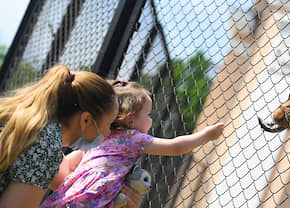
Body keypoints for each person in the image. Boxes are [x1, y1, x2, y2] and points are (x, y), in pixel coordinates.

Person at [41, 80, 225, 207]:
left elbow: (71, 163)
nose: (151, 120)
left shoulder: (101, 135)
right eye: (147, 115)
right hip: (98, 196)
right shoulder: (134, 138)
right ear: (130, 120)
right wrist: (205, 136)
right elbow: (175, 147)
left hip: (72, 194)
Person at [0, 65, 120, 208]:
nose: (108, 134)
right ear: (86, 120)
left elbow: (62, 176)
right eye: (108, 124)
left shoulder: (3, 110)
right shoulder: (46, 145)